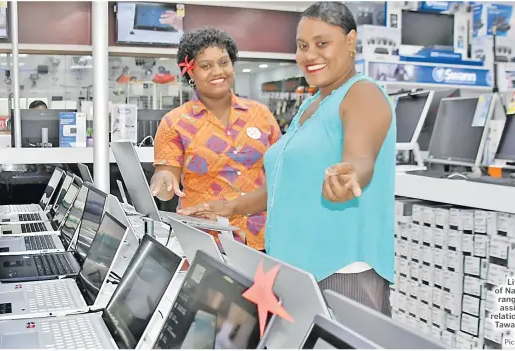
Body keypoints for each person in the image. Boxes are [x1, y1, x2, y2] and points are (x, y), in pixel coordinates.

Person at [180, 2, 396, 315]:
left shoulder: (362, 93)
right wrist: (230, 208)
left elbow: (360, 160)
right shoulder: (311, 106)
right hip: (295, 268)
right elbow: (286, 185)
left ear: (350, 41)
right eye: (302, 46)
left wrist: (352, 177)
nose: (310, 55)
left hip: (340, 272)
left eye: (322, 44)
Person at [151, 27, 281, 252]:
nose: (217, 71)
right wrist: (163, 179)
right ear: (190, 72)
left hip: (263, 237)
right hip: (206, 241)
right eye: (205, 65)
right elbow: (167, 184)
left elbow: (281, 174)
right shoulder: (175, 122)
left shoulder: (261, 114)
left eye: (223, 62)